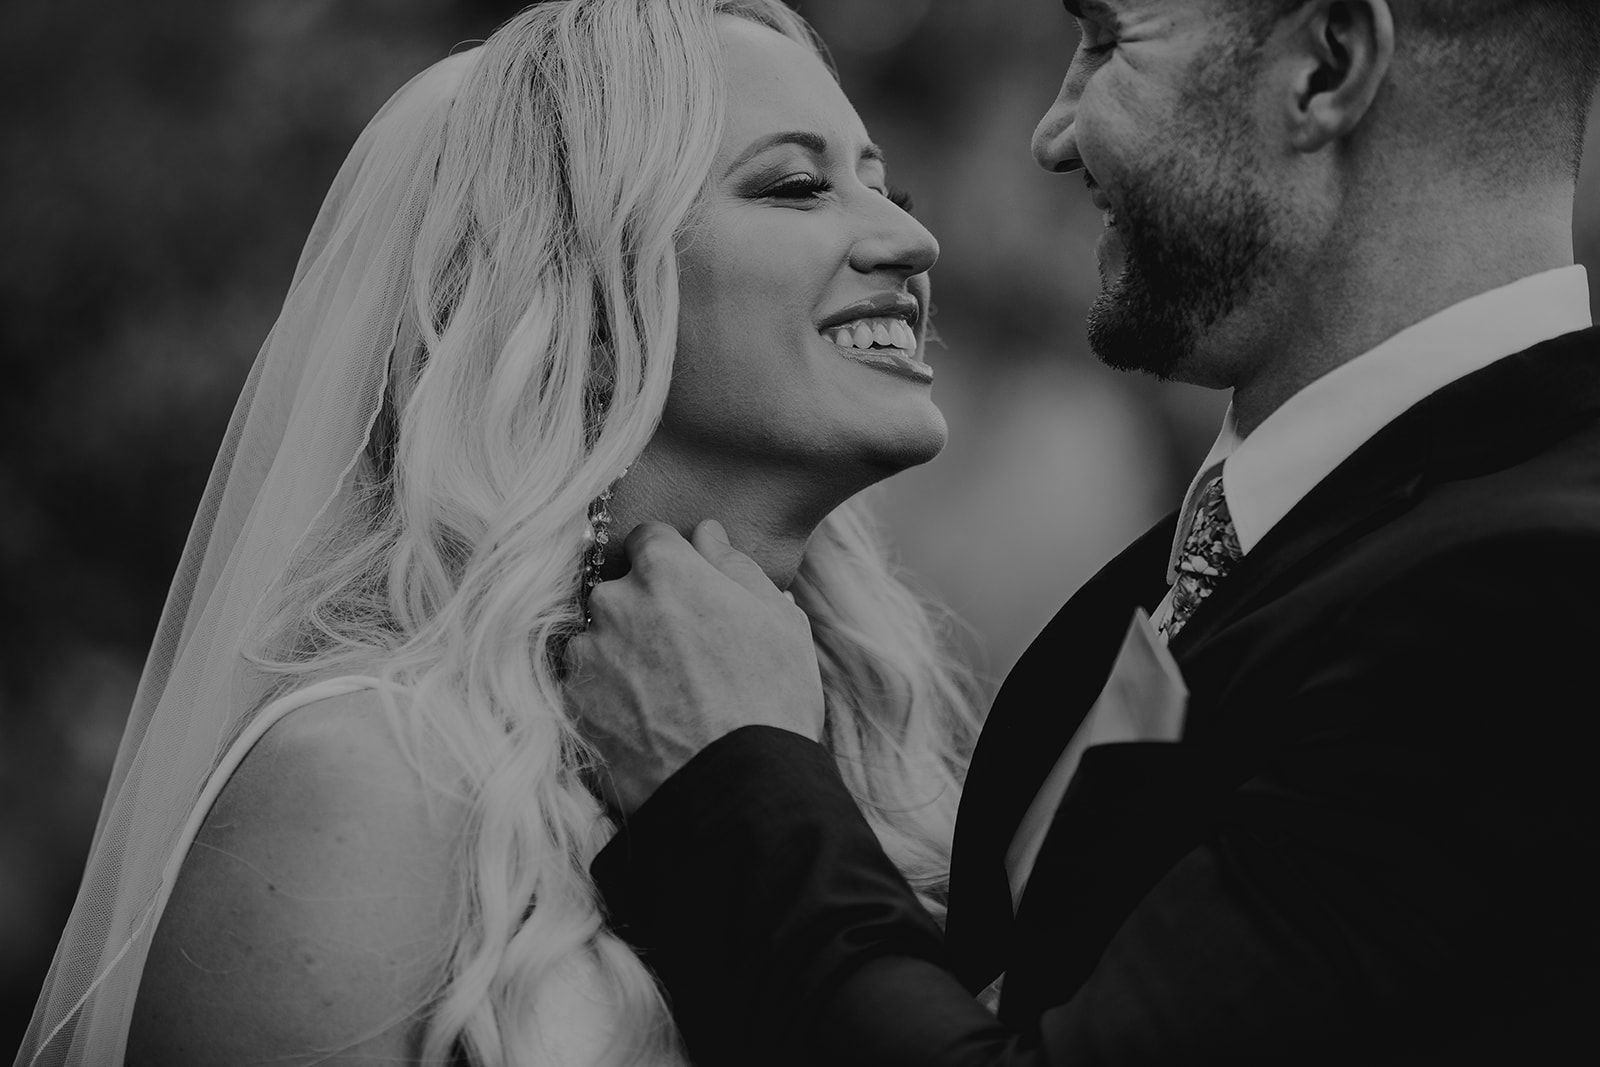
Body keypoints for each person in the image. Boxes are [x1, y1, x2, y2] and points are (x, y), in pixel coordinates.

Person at [568, 0, 1600, 1063]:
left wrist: (735, 778)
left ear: (1326, 65)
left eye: (1108, 41)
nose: (1053, 133)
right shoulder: (1271, 547)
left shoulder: (1539, 593)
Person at [15, 2, 984, 1064]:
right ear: (589, 303)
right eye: (798, 185)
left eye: (886, 187)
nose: (912, 239)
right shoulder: (372, 780)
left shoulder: (883, 754)